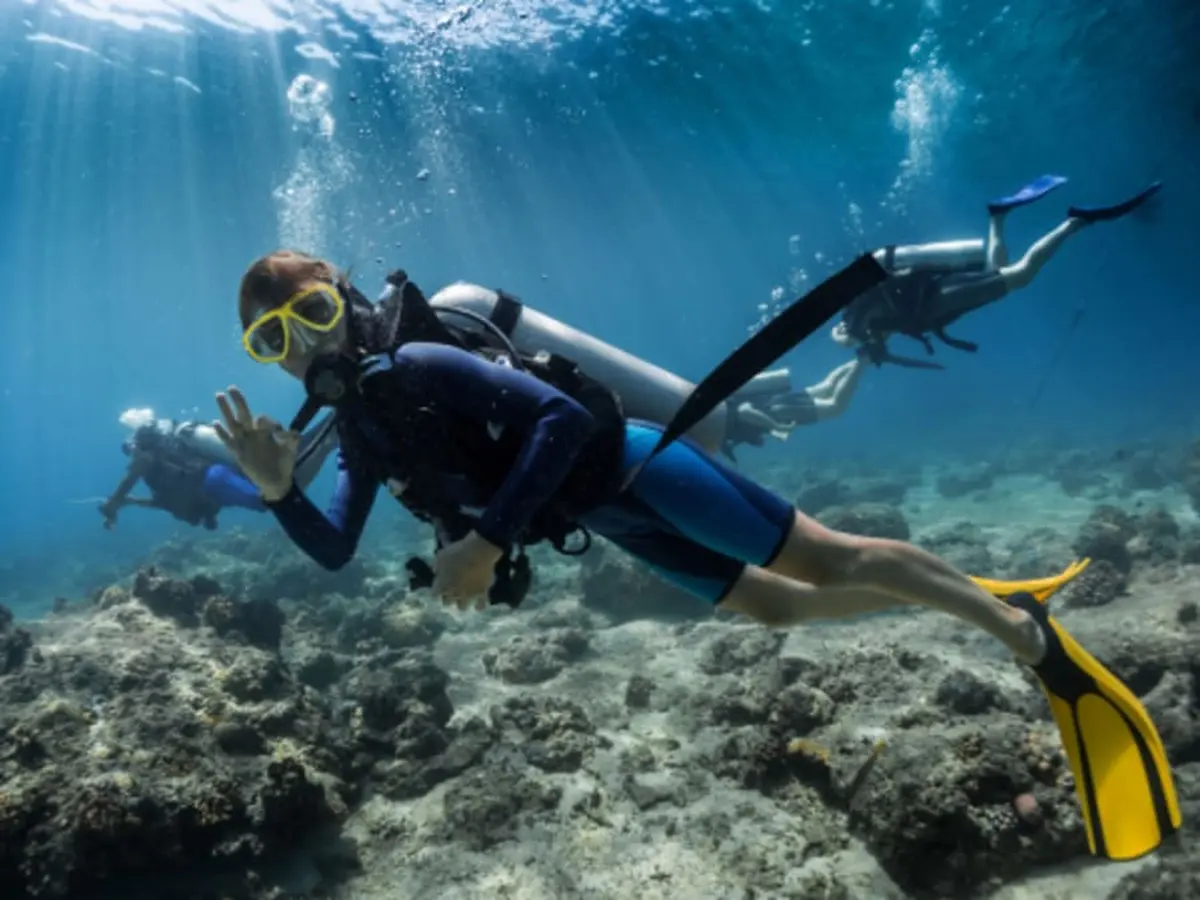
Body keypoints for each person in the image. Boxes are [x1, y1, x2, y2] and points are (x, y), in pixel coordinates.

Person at [215, 249, 1179, 862]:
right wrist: (279, 492)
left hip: (634, 467)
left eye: (312, 317)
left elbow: (555, 417)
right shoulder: (361, 434)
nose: (303, 348)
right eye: (274, 341)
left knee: (829, 566)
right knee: (778, 610)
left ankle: (1019, 630)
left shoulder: (420, 363)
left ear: (344, 301)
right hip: (607, 515)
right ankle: (959, 595)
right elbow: (335, 549)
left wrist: (486, 540)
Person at [422, 280, 863, 457]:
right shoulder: (461, 315)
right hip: (685, 399)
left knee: (802, 410)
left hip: (694, 411)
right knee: (730, 407)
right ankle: (838, 377)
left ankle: (841, 381)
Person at [833, 176, 1163, 365]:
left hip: (938, 301)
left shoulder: (857, 321)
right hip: (937, 296)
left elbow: (844, 338)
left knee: (1021, 276)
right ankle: (998, 216)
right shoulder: (864, 310)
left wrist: (863, 343)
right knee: (998, 267)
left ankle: (1076, 222)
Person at [99, 406, 338, 530]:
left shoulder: (147, 458)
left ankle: (330, 435)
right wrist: (127, 502)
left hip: (213, 479)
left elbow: (135, 472)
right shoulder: (161, 484)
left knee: (273, 496)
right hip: (213, 483)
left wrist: (114, 502)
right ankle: (334, 425)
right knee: (278, 480)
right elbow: (165, 502)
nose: (131, 455)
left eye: (130, 450)